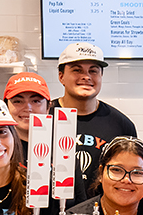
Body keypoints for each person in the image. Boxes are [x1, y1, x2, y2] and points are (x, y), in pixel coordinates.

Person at [50, 42, 137, 204]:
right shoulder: (44, 118)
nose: (86, 76)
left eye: (93, 71)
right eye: (77, 70)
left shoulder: (122, 125)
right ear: (61, 76)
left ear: (101, 76)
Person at [3, 72, 50, 165]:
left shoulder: (60, 149)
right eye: (18, 101)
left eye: (36, 101)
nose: (28, 108)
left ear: (48, 107)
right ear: (6, 107)